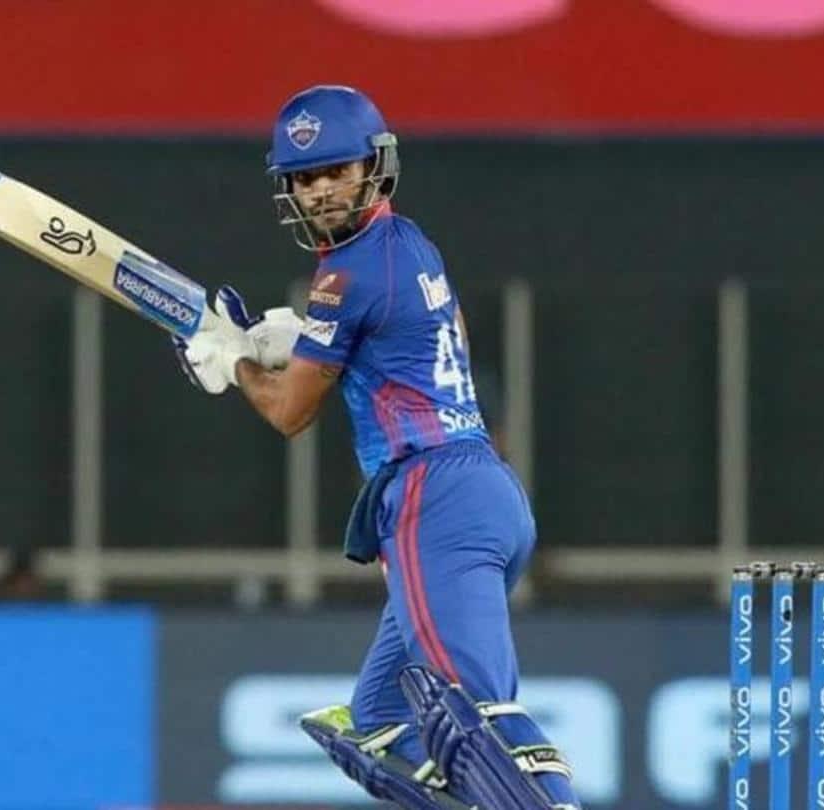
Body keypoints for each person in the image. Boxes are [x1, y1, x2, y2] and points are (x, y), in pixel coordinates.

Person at [173, 85, 581, 810]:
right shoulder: (409, 244)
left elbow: (290, 413)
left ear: (374, 167)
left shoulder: (346, 275)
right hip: (480, 493)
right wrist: (299, 340)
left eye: (337, 171)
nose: (322, 190)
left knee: (476, 716)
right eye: (305, 178)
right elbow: (412, 341)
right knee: (378, 726)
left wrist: (232, 363)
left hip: (435, 499)